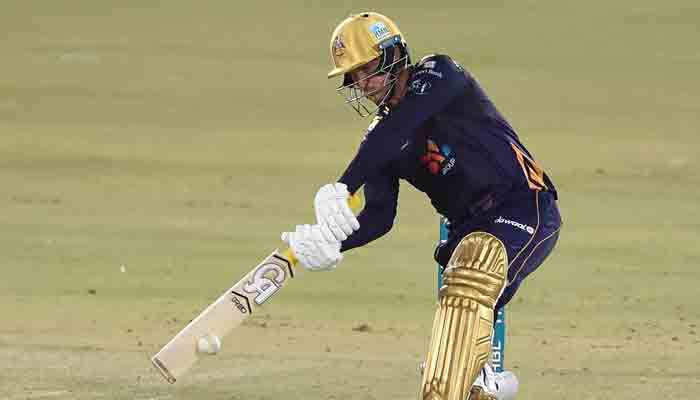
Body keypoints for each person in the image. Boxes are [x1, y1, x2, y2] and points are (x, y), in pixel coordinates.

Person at [282, 11, 562, 400]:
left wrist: (343, 185)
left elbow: (403, 123)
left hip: (523, 207)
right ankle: (483, 383)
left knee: (472, 268)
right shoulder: (380, 138)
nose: (364, 84)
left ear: (395, 54)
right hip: (467, 230)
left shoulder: (440, 74)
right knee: (459, 338)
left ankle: (480, 377)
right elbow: (380, 217)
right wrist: (332, 243)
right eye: (354, 77)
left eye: (369, 69)